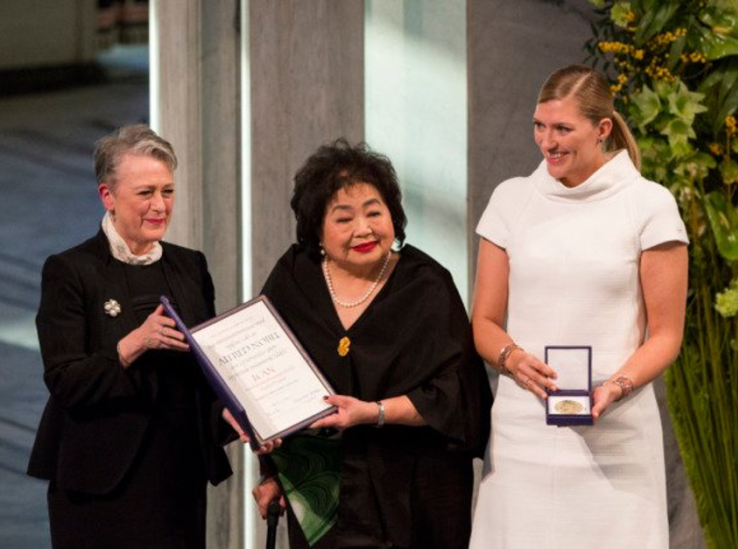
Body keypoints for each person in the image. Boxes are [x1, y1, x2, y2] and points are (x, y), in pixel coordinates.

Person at [469, 65, 688, 548]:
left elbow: (667, 335)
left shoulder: (649, 205)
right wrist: (513, 359)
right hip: (522, 432)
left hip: (615, 435)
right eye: (539, 126)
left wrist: (615, 387)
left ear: (602, 128)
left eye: (563, 129)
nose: (547, 141)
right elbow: (483, 322)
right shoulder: (512, 199)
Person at [252, 139, 492, 549]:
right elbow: (266, 375)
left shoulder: (427, 284)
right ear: (317, 229)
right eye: (343, 219)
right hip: (319, 492)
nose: (363, 229)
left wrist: (375, 413)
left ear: (394, 217)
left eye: (374, 213)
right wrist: (271, 471)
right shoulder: (295, 277)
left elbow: (457, 398)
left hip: (413, 491)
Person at [27, 124, 239, 548]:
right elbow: (65, 379)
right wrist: (132, 344)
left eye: (167, 191)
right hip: (99, 483)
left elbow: (205, 374)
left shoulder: (190, 266)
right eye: (145, 193)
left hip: (177, 479)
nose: (160, 205)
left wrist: (232, 414)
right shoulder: (71, 271)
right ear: (108, 196)